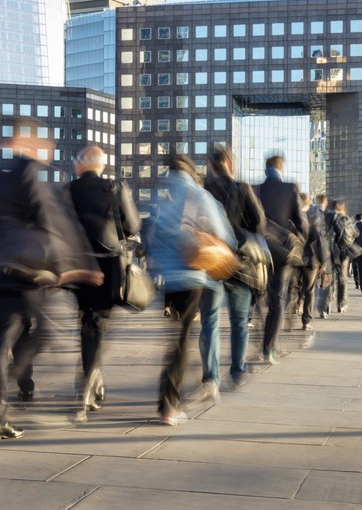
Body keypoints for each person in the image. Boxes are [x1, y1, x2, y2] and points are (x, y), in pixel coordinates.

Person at [0, 117, 102, 441]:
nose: (49, 149)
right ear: (31, 145)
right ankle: (9, 385)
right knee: (43, 331)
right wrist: (76, 268)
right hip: (26, 274)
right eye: (45, 144)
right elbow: (52, 226)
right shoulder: (31, 178)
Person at [149, 154, 235, 424]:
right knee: (182, 339)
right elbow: (224, 234)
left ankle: (168, 400)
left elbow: (151, 237)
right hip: (192, 274)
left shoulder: (163, 198)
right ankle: (169, 407)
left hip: (168, 279)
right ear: (190, 171)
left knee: (175, 336)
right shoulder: (198, 194)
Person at [68, 146, 140, 419]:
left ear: (81, 164)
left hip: (76, 265)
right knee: (97, 325)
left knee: (87, 322)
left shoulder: (68, 191)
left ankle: (91, 380)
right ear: (101, 165)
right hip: (106, 265)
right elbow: (132, 226)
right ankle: (89, 384)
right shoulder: (114, 187)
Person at [198, 145, 265, 398]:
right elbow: (260, 223)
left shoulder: (203, 190)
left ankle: (211, 378)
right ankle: (237, 371)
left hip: (210, 262)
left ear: (210, 163)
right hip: (238, 262)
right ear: (229, 161)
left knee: (210, 320)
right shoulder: (243, 188)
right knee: (239, 322)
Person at [254, 155, 308, 363]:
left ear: (265, 168)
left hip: (259, 249)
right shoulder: (290, 189)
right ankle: (269, 349)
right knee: (277, 299)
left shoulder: (256, 189)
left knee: (259, 294)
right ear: (280, 168)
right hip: (282, 251)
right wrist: (299, 240)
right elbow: (301, 222)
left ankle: (260, 334)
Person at [295, 193, 330, 331]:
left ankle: (295, 306)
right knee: (309, 290)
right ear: (308, 204)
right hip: (310, 261)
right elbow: (319, 242)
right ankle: (306, 321)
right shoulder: (312, 219)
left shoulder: (290, 220)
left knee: (294, 286)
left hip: (293, 259)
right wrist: (323, 262)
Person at [323, 199, 355, 316]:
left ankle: (326, 307)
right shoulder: (346, 219)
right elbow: (354, 234)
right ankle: (342, 305)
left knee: (328, 278)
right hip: (343, 252)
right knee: (342, 279)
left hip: (328, 251)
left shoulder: (325, 217)